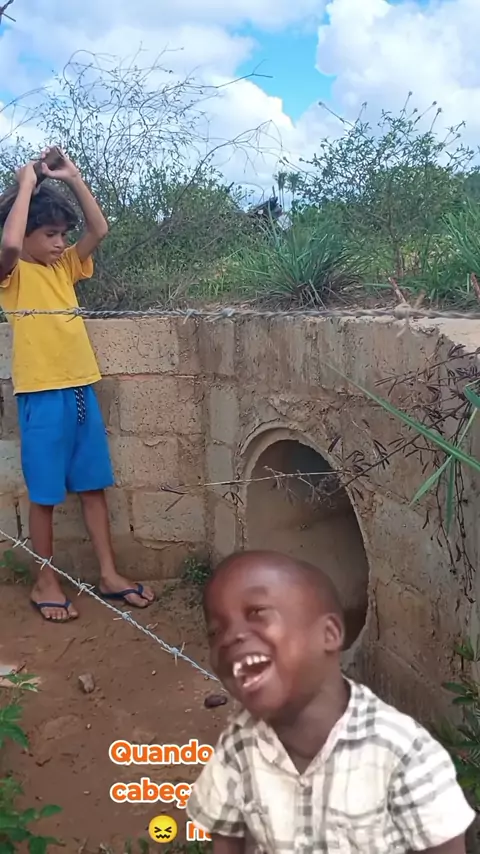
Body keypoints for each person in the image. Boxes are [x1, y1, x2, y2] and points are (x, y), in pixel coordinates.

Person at [187, 550, 475, 854]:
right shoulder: (238, 745)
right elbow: (228, 841)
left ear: (329, 634)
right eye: (216, 631)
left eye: (257, 612)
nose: (230, 637)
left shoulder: (403, 754)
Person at [0, 149, 154, 622]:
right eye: (50, 234)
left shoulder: (64, 267)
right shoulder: (13, 276)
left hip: (81, 389)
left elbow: (99, 230)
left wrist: (73, 178)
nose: (60, 242)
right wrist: (26, 185)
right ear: (28, 233)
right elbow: (9, 246)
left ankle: (108, 574)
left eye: (63, 234)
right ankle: (44, 580)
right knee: (45, 494)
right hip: (42, 395)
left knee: (92, 486)